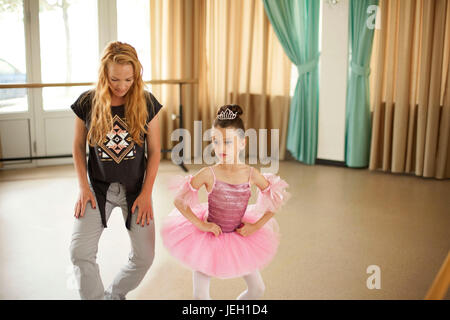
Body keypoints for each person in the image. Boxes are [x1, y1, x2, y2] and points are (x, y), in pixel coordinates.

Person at [161, 105, 289, 300]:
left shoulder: (251, 174)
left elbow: (275, 199)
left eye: (227, 142)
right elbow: (180, 201)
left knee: (258, 289)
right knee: (200, 295)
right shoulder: (208, 173)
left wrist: (255, 227)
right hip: (208, 238)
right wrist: (200, 224)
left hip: (240, 235)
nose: (220, 148)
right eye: (215, 141)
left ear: (242, 143)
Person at [69, 41, 163, 300]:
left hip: (136, 190)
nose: (121, 86)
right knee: (79, 252)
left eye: (128, 79)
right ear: (104, 74)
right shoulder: (87, 102)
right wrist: (83, 187)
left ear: (136, 75)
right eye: (114, 79)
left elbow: (155, 152)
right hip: (96, 189)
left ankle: (114, 295)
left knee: (145, 257)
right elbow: (78, 147)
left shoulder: (147, 102)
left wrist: (146, 194)